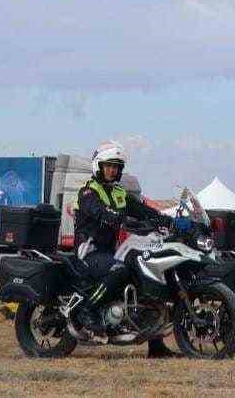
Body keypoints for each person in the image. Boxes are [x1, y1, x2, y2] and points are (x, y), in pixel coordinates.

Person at [73, 140, 173, 358]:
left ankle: (156, 346)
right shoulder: (88, 192)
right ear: (99, 166)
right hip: (89, 253)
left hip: (110, 252)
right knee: (119, 270)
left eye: (116, 166)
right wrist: (123, 220)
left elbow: (140, 209)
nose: (112, 170)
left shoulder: (119, 192)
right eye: (109, 165)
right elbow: (102, 213)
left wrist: (164, 218)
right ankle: (88, 311)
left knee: (147, 279)